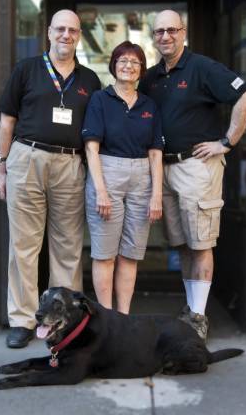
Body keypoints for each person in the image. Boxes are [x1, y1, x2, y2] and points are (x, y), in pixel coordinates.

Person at [139, 10, 246, 340]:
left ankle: (199, 316)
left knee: (201, 242)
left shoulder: (202, 68)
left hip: (196, 166)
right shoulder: (151, 78)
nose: (165, 36)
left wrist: (227, 141)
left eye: (171, 30)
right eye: (159, 31)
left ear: (183, 32)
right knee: (183, 244)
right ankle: (192, 309)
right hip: (165, 168)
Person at [0, 9, 101, 348]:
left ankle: (64, 319)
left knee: (68, 247)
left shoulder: (89, 80)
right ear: (49, 32)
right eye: (60, 29)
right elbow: (6, 123)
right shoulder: (26, 70)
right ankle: (23, 320)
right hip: (27, 158)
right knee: (24, 246)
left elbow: (95, 134)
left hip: (70, 165)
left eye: (72, 30)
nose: (66, 35)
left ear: (79, 35)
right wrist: (2, 168)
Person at [82, 41, 163, 314]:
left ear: (141, 69)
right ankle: (106, 316)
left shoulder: (149, 104)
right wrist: (101, 190)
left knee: (131, 254)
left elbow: (155, 153)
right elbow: (91, 148)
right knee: (105, 254)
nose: (128, 66)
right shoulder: (100, 100)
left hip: (142, 178)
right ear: (114, 66)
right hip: (107, 173)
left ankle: (123, 316)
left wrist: (156, 195)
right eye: (122, 60)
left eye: (135, 62)